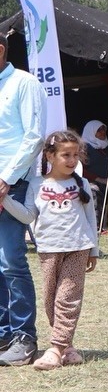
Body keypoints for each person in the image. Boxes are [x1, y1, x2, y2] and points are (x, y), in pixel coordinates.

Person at [29, 130, 101, 371]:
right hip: (49, 249)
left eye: (75, 155)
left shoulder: (81, 184)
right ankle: (68, 349)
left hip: (78, 247)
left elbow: (91, 217)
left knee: (67, 298)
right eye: (65, 155)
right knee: (50, 298)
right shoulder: (37, 185)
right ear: (50, 156)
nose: (72, 160)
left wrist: (94, 250)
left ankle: (55, 348)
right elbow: (30, 216)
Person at [0, 37, 45, 367]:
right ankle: (3, 334)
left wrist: (6, 179)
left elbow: (33, 136)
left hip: (10, 185)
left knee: (11, 262)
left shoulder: (24, 83)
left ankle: (23, 337)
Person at [80, 120, 108, 214]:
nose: (103, 132)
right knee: (93, 191)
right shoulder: (83, 148)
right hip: (91, 182)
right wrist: (98, 179)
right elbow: (80, 168)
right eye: (99, 130)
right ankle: (96, 226)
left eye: (104, 129)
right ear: (91, 132)